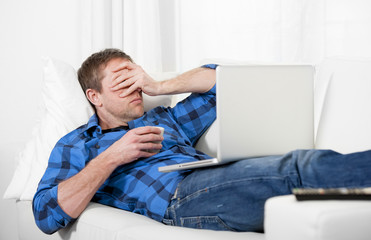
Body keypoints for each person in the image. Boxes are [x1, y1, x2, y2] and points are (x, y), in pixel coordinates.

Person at [33, 48, 371, 234]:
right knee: (297, 167)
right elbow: (46, 214)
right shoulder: (80, 143)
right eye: (123, 81)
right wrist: (112, 157)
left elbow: (224, 82)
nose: (135, 87)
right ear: (95, 96)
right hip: (179, 199)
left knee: (299, 175)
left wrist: (160, 87)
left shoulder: (163, 118)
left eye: (135, 76)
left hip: (211, 179)